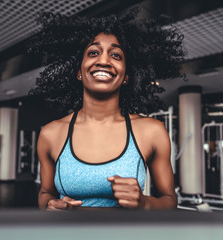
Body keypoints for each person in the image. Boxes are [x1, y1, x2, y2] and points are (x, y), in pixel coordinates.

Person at [28, 8, 185, 210]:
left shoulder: (152, 131)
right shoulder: (51, 133)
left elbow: (169, 201)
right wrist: (50, 206)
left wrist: (144, 202)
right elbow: (45, 193)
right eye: (93, 53)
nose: (103, 61)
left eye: (116, 55)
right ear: (78, 71)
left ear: (127, 75)